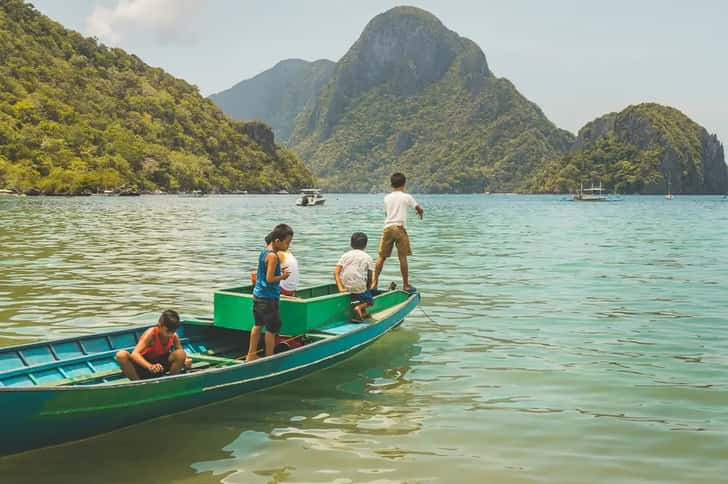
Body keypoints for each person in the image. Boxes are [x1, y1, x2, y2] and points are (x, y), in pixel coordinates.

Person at [246, 223, 293, 362]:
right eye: (287, 243)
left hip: (258, 295)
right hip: (268, 297)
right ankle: (269, 357)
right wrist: (283, 276)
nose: (288, 246)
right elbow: (270, 278)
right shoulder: (273, 256)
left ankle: (251, 354)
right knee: (271, 329)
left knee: (257, 324)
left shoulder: (264, 252)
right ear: (277, 241)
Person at [371, 172, 424, 292]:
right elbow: (418, 208)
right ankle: (405, 285)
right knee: (402, 257)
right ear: (404, 184)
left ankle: (374, 284)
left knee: (381, 257)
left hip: (388, 228)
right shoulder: (407, 197)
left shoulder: (387, 198)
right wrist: (420, 212)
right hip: (400, 229)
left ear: (391, 184)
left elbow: (387, 214)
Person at [116, 309, 191, 380]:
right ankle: (137, 383)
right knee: (121, 355)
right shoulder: (151, 334)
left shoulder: (174, 335)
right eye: (168, 331)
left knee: (181, 354)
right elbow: (135, 354)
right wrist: (150, 366)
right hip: (144, 365)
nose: (170, 335)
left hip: (161, 365)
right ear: (159, 325)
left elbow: (180, 350)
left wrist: (185, 360)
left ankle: (172, 379)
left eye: (173, 331)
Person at [334, 232, 374, 321]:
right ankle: (358, 308)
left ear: (351, 244)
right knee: (369, 300)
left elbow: (336, 272)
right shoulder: (367, 257)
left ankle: (363, 313)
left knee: (359, 291)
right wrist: (368, 288)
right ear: (365, 245)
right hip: (359, 287)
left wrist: (341, 288)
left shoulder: (345, 256)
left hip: (346, 287)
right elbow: (370, 277)